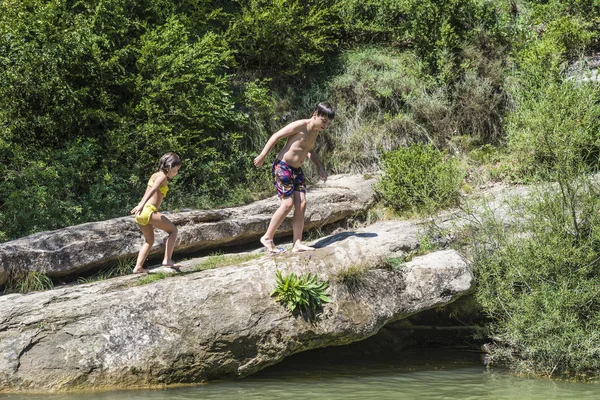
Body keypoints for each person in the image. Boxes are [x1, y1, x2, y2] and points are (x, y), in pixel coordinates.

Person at [253, 102, 335, 254]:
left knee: (302, 204)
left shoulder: (315, 130)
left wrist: (320, 168)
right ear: (315, 114)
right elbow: (276, 136)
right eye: (323, 121)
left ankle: (297, 243)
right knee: (287, 204)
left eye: (328, 123)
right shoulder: (300, 125)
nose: (325, 125)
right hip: (283, 167)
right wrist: (263, 155)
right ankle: (267, 237)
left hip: (297, 170)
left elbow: (310, 151)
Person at [130, 152, 182, 273]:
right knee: (173, 230)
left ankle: (138, 267)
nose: (177, 172)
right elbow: (153, 189)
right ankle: (167, 260)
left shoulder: (156, 174)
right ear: (170, 166)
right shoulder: (162, 176)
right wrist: (141, 204)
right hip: (148, 210)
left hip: (141, 213)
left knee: (149, 241)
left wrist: (140, 206)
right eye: (177, 169)